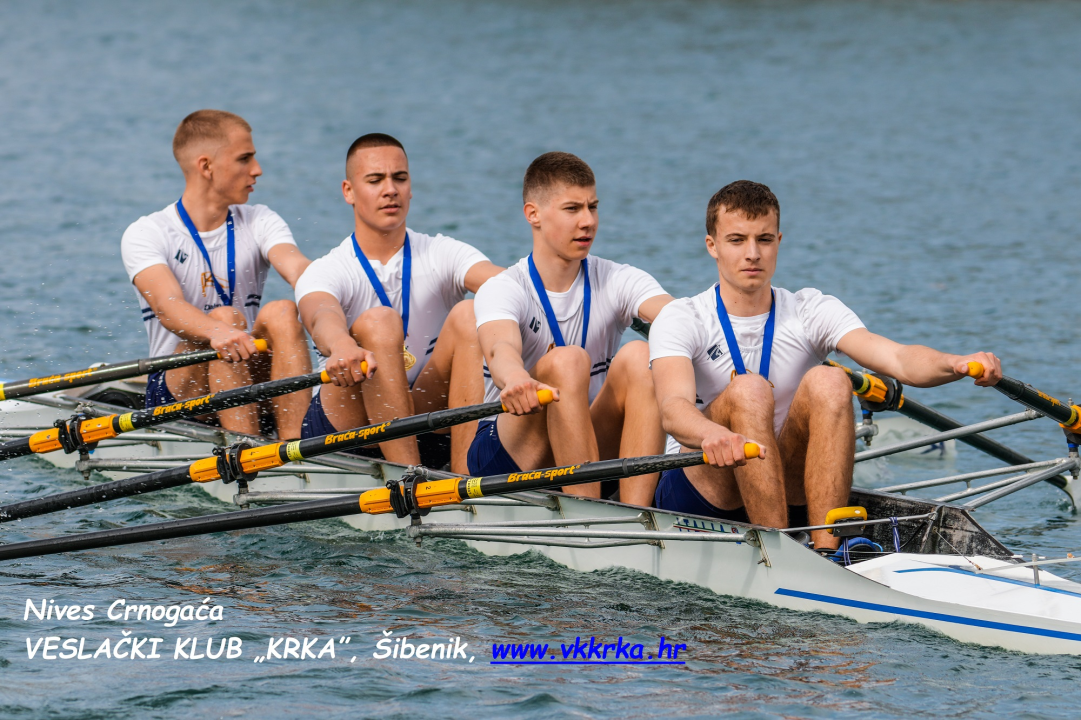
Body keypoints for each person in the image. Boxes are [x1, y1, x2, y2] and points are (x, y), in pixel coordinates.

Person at [648, 180, 1001, 550]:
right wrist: (710, 435)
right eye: (737, 240)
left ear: (779, 242)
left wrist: (956, 362)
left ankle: (829, 551)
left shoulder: (809, 309)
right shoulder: (682, 317)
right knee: (749, 389)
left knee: (830, 380)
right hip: (702, 491)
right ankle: (779, 552)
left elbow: (898, 359)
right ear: (713, 246)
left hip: (786, 484)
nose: (752, 253)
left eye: (764, 240)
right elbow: (673, 409)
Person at [470, 152, 673, 504]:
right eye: (572, 209)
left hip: (583, 438)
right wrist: (516, 378)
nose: (588, 221)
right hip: (506, 453)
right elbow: (500, 348)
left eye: (592, 207)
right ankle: (589, 516)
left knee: (642, 355)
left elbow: (675, 315)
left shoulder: (617, 278)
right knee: (567, 362)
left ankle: (637, 517)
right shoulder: (504, 288)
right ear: (533, 214)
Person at [294, 133, 502, 473]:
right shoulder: (328, 269)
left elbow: (502, 283)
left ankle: (464, 484)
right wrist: (342, 344)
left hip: (421, 418)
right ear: (348, 191)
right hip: (346, 430)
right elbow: (320, 315)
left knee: (469, 313)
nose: (390, 189)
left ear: (410, 187)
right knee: (379, 322)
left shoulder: (443, 252)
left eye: (400, 178)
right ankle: (412, 480)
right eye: (375, 180)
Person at [121, 109, 313, 439]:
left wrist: (343, 306)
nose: (257, 170)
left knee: (282, 311)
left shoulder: (259, 219)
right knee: (227, 318)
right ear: (206, 166)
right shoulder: (148, 232)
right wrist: (216, 331)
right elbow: (168, 307)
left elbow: (299, 270)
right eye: (245, 159)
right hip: (177, 391)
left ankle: (295, 447)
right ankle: (246, 448)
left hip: (242, 374)